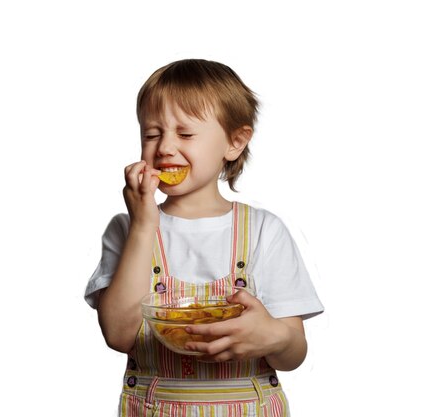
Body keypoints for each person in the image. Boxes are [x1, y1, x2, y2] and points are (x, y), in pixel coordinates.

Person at [84, 59, 323, 416]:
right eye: (152, 134)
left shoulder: (262, 231)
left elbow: (293, 354)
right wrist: (143, 225)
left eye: (185, 134)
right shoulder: (127, 228)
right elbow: (119, 335)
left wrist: (275, 336)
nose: (164, 147)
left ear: (235, 142)